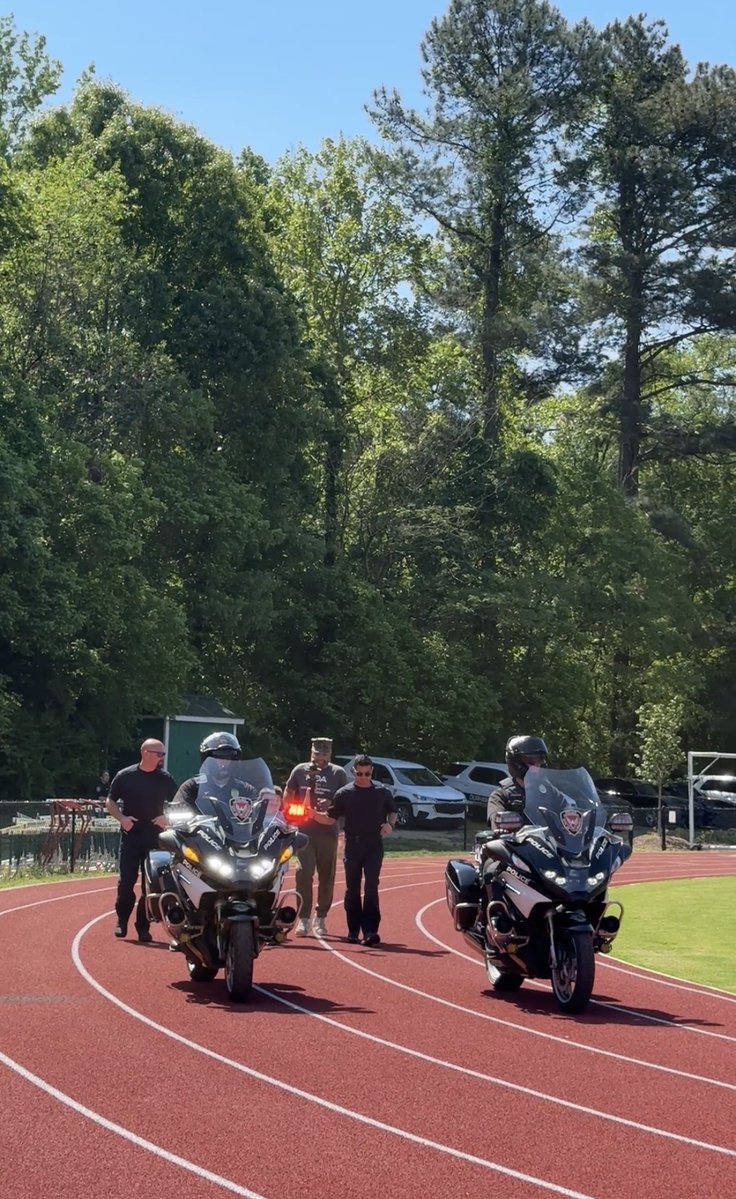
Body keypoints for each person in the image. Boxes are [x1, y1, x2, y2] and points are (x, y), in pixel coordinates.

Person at [106, 739, 178, 942]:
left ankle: (143, 926)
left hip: (155, 840)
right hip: (131, 838)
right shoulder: (125, 776)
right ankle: (122, 919)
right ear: (145, 753)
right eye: (159, 754)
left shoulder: (165, 779)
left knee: (151, 886)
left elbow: (180, 802)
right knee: (126, 882)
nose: (162, 758)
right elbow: (110, 801)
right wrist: (122, 818)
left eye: (163, 754)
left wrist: (168, 818)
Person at [328, 754, 397, 946]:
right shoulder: (344, 793)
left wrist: (390, 824)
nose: (363, 777)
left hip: (374, 844)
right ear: (353, 772)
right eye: (359, 773)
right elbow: (331, 816)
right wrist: (310, 815)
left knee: (371, 886)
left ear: (372, 771)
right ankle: (353, 929)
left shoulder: (382, 791)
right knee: (352, 888)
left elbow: (393, 810)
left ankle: (370, 930)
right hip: (353, 844)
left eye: (367, 773)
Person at [284, 736, 347, 938]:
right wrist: (288, 811)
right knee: (303, 872)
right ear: (311, 753)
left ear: (330, 754)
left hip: (328, 832)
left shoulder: (338, 773)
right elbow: (288, 790)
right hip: (304, 832)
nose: (321, 757)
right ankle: (303, 918)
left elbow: (343, 801)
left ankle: (321, 916)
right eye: (317, 753)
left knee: (326, 875)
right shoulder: (300, 770)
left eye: (325, 753)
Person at [171, 731, 261, 815]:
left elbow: (258, 816)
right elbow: (178, 811)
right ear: (207, 760)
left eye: (228, 758)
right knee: (169, 833)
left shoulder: (245, 790)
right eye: (218, 758)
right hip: (199, 832)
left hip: (235, 832)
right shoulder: (192, 787)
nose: (224, 762)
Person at [486, 735, 549, 828]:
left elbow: (568, 811)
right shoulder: (500, 796)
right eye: (531, 762)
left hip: (548, 842)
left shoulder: (549, 791)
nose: (537, 767)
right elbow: (497, 822)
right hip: (517, 842)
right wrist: (505, 823)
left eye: (539, 761)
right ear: (516, 763)